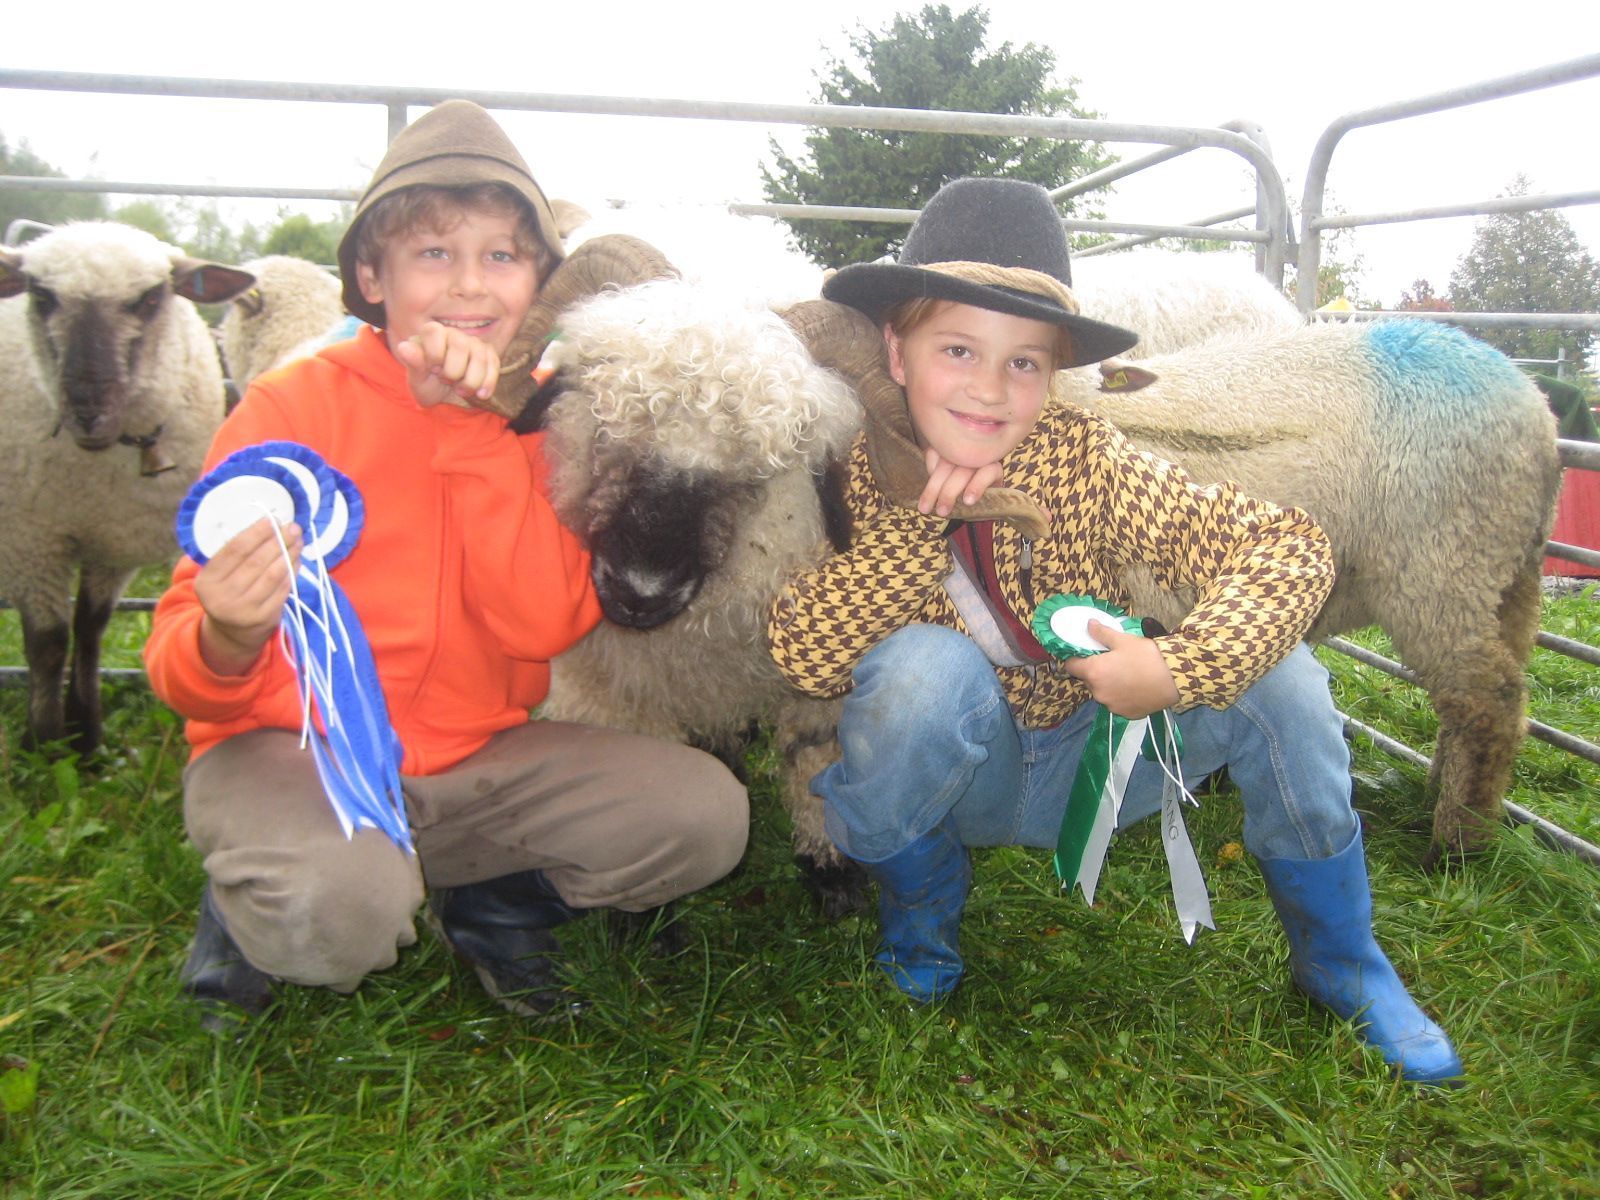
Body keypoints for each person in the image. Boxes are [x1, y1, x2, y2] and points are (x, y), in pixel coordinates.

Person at [767, 177, 1462, 1085]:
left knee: (1283, 677)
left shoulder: (1087, 461)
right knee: (919, 670)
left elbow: (1287, 542)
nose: (988, 388)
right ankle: (923, 908)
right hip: (954, 780)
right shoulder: (856, 472)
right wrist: (904, 536)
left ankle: (1342, 959)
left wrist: (1183, 665)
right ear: (896, 352)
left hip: (1098, 766)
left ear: (1056, 372)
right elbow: (802, 653)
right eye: (959, 349)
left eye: (1024, 361)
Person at [145, 100, 746, 1026]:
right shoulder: (291, 406)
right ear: (372, 276)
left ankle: (496, 897)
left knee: (706, 819)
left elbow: (546, 624)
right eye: (434, 253)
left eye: (501, 255)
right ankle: (256, 907)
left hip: (478, 754)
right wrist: (227, 633)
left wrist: (471, 430)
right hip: (292, 751)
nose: (470, 286)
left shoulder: (549, 423)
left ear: (539, 282)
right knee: (339, 919)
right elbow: (183, 665)